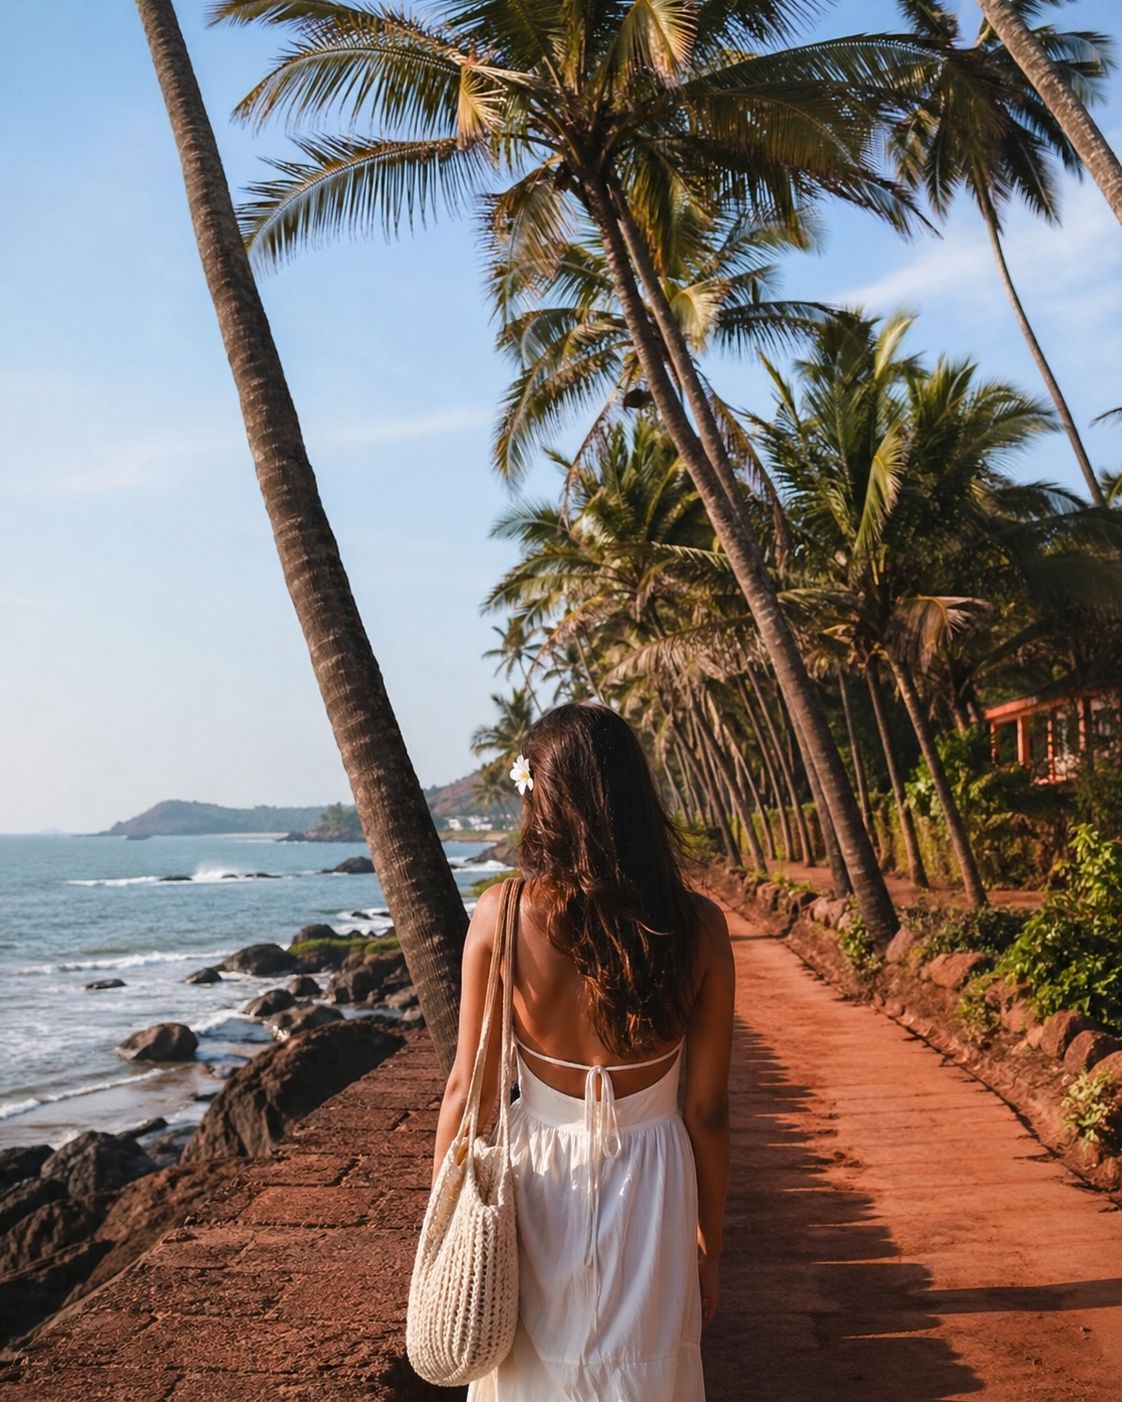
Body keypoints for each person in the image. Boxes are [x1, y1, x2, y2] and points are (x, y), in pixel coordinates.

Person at [431, 703, 734, 1401]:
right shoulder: (700, 929)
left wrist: (443, 1236)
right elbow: (708, 1112)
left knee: (529, 1377)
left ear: (540, 800)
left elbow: (466, 1098)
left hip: (537, 1177)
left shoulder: (501, 914)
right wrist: (709, 1250)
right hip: (654, 1181)